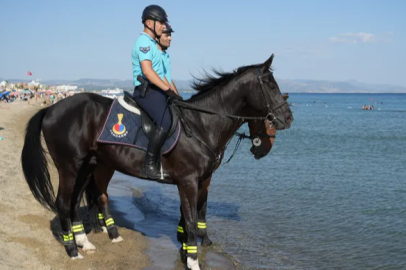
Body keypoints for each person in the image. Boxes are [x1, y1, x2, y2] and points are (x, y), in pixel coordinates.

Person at [131, 5, 181, 180]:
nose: (163, 26)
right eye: (161, 22)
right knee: (165, 121)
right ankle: (149, 165)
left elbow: (163, 76)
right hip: (146, 91)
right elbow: (148, 72)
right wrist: (168, 90)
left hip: (156, 90)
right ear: (149, 22)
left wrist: (175, 96)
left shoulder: (152, 44)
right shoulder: (144, 42)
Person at [157, 23, 179, 94]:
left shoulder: (165, 55)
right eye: (166, 36)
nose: (170, 38)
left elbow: (168, 79)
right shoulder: (156, 54)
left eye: (170, 35)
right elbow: (161, 77)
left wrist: (178, 98)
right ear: (157, 38)